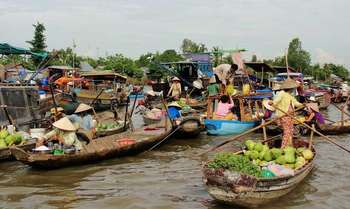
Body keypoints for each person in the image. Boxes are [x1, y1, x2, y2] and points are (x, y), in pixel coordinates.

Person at [270, 79, 303, 148]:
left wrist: (303, 105)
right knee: (287, 132)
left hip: (290, 116)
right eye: (293, 88)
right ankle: (283, 148)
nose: (294, 89)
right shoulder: (281, 93)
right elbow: (276, 101)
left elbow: (296, 103)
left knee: (291, 131)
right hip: (284, 115)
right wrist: (272, 103)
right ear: (290, 88)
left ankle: (289, 145)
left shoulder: (290, 95)